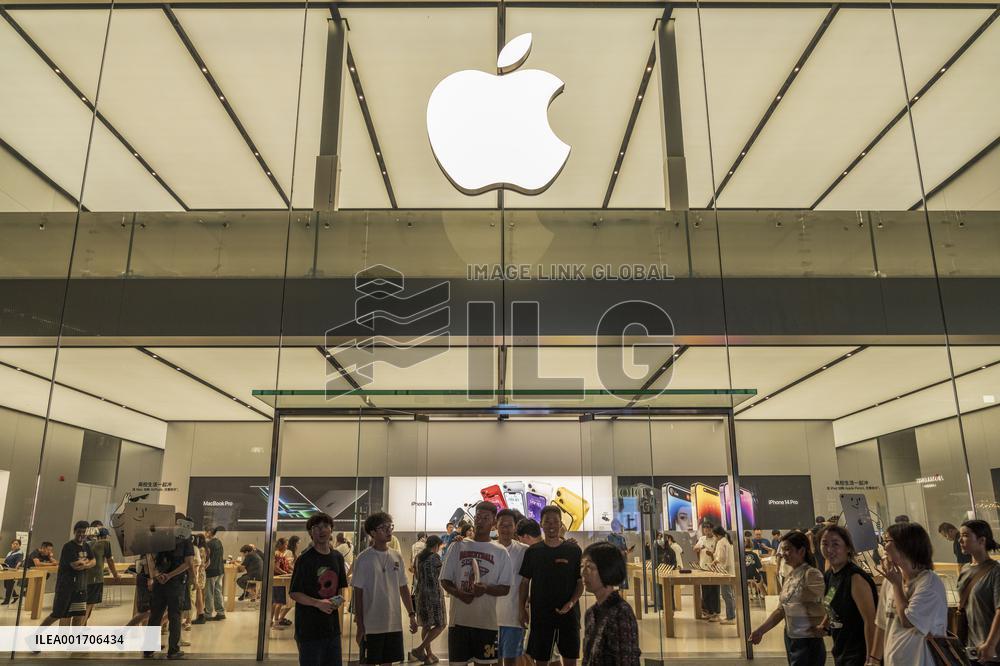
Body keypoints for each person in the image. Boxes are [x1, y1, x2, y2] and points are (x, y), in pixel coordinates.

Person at [441, 501, 513, 666]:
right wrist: (460, 594)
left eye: (485, 518)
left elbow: (505, 588)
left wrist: (486, 588)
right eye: (478, 517)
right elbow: (444, 579)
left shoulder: (500, 552)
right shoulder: (458, 546)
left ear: (493, 522)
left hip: (486, 623)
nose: (480, 521)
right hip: (458, 623)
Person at [868, 522, 947, 666]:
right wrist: (873, 660)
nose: (884, 547)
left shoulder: (929, 582)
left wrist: (897, 585)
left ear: (905, 545)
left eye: (887, 541)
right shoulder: (892, 579)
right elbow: (882, 623)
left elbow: (907, 621)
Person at [749, 530, 826, 665]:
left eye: (787, 549)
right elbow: (781, 610)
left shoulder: (812, 574)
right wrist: (760, 631)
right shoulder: (790, 576)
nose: (783, 554)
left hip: (809, 640)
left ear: (801, 551)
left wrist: (824, 626)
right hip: (791, 637)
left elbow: (831, 600)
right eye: (783, 549)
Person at [519, 504, 582, 666]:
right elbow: (525, 582)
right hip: (541, 616)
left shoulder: (573, 550)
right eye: (547, 521)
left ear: (561, 524)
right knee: (541, 660)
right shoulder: (533, 552)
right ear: (541, 524)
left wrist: (571, 602)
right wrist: (521, 609)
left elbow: (580, 582)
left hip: (569, 616)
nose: (551, 525)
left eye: (555, 521)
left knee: (570, 659)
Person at [353, 512, 417, 666]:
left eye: (390, 527)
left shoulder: (397, 556)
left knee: (388, 662)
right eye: (383, 527)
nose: (389, 530)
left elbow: (403, 587)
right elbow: (358, 593)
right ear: (372, 533)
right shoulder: (363, 558)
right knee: (368, 662)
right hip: (371, 624)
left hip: (392, 622)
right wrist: (360, 623)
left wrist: (411, 614)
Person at [290, 513, 348, 666]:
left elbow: (340, 588)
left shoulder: (337, 557)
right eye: (316, 527)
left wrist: (337, 601)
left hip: (332, 629)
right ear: (310, 532)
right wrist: (318, 603)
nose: (322, 531)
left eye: (325, 527)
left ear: (331, 530)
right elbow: (294, 593)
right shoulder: (304, 559)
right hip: (309, 629)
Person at [819, 525, 877, 666]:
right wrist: (824, 624)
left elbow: (871, 621)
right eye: (824, 543)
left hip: (859, 653)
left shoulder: (855, 578)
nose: (829, 549)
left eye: (835, 544)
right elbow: (830, 600)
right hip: (841, 649)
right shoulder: (830, 575)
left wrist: (871, 659)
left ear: (848, 548)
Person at [580, 542, 640, 666]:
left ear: (607, 569)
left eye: (589, 567)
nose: (583, 572)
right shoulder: (591, 613)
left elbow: (625, 661)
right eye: (582, 566)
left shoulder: (621, 613)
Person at [145, 525, 196, 660]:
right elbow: (188, 563)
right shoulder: (186, 539)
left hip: (159, 583)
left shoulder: (159, 537)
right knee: (174, 616)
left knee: (155, 615)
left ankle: (148, 649)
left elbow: (150, 558)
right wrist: (170, 575)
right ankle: (173, 650)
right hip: (175, 583)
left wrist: (157, 575)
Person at [956, 519, 1000, 664]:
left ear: (981, 540)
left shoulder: (995, 571)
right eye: (960, 536)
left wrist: (991, 644)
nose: (960, 540)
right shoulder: (965, 569)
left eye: (965, 535)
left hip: (992, 649)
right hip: (972, 647)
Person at [39, 521, 95, 628]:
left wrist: (85, 564)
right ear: (74, 532)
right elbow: (75, 565)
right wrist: (85, 562)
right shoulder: (68, 546)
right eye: (79, 532)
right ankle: (35, 636)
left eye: (84, 532)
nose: (81, 534)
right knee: (58, 614)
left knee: (78, 616)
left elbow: (93, 561)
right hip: (66, 587)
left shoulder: (86, 546)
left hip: (81, 588)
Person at [495, 509, 528, 666]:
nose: (505, 529)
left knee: (510, 661)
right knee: (493, 661)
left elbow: (526, 582)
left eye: (509, 525)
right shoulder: (489, 548)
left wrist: (523, 609)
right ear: (496, 526)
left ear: (515, 527)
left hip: (513, 617)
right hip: (490, 618)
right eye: (502, 525)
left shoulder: (524, 551)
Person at [411, 535, 446, 664]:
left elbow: (415, 574)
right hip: (433, 595)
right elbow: (442, 575)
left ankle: (429, 655)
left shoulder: (418, 557)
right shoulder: (435, 557)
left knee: (426, 625)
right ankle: (420, 649)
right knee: (441, 624)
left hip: (421, 593)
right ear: (436, 545)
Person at [83, 520, 119, 625]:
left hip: (85, 578)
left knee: (86, 605)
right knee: (88, 605)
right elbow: (110, 560)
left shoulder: (83, 542)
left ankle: (82, 627)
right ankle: (79, 630)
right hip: (94, 578)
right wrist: (115, 574)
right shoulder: (105, 543)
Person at [694, 522, 720, 621]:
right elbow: (695, 549)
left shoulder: (716, 540)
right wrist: (698, 548)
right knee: (705, 591)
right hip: (703, 568)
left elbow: (718, 555)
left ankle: (716, 613)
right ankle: (708, 612)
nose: (706, 531)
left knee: (714, 590)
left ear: (712, 529)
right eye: (704, 529)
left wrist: (711, 554)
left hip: (713, 569)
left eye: (708, 529)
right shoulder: (701, 539)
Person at [712, 525, 736, 625]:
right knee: (729, 594)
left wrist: (714, 561)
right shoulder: (727, 541)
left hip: (724, 571)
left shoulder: (721, 542)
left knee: (727, 595)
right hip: (729, 571)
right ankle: (730, 615)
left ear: (716, 534)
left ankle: (730, 617)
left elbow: (721, 557)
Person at [271, 537, 295, 629]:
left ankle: (272, 621)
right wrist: (285, 573)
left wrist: (290, 571)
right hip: (279, 580)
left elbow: (287, 566)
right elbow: (276, 567)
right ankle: (276, 622)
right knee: (279, 602)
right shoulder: (277, 554)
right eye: (285, 544)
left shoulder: (281, 554)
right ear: (280, 544)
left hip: (279, 579)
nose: (286, 546)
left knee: (276, 602)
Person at [204, 527, 226, 621]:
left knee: (209, 592)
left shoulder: (209, 544)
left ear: (209, 532)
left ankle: (208, 613)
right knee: (218, 591)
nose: (204, 533)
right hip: (220, 570)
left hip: (211, 571)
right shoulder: (219, 542)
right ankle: (220, 612)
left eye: (205, 531)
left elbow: (206, 558)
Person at [190, 533, 208, 625]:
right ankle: (200, 614)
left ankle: (200, 614)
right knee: (200, 593)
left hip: (199, 573)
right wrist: (203, 567)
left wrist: (200, 568)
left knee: (198, 594)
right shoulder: (206, 549)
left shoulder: (199, 549)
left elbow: (197, 562)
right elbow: (208, 562)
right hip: (202, 572)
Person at [2, 538, 23, 604]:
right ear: (11, 544)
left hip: (12, 571)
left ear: (19, 545)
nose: (15, 545)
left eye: (17, 544)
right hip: (7, 571)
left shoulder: (19, 553)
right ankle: (15, 595)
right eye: (13, 544)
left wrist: (16, 568)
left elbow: (19, 562)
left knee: (9, 586)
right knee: (6, 585)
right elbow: (5, 561)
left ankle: (6, 600)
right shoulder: (10, 553)